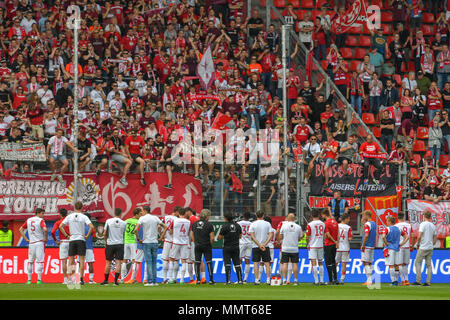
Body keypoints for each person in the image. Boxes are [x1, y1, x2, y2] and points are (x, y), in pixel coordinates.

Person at [59, 201, 94, 285]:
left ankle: (71, 279)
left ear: (74, 207)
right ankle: (81, 279)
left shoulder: (69, 216)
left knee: (71, 260)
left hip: (72, 239)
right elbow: (91, 227)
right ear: (82, 207)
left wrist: (67, 236)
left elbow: (60, 226)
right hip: (81, 239)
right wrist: (87, 236)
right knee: (81, 260)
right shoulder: (83, 216)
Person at [135, 205, 167, 286]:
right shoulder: (155, 218)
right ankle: (154, 281)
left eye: (142, 211)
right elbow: (165, 227)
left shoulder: (142, 218)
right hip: (155, 242)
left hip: (146, 242)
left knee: (148, 262)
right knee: (154, 262)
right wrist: (161, 237)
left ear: (145, 211)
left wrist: (139, 239)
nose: (141, 212)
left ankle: (149, 281)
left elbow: (135, 229)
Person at [19, 208, 47, 284]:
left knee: (30, 261)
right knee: (40, 261)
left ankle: (29, 280)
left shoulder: (29, 220)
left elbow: (20, 229)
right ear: (38, 213)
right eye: (42, 213)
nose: (43, 215)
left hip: (31, 243)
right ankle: (39, 280)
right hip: (39, 243)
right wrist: (46, 238)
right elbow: (45, 229)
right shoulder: (41, 220)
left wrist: (26, 239)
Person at [101, 208, 127, 286]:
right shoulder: (124, 223)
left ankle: (106, 281)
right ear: (121, 214)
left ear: (114, 213)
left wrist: (106, 241)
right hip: (120, 244)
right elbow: (123, 233)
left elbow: (105, 233)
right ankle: (115, 281)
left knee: (108, 262)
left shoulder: (108, 221)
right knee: (118, 262)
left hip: (110, 244)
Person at [190, 209, 215, 285]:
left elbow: (192, 235)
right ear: (207, 216)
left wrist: (196, 242)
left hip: (197, 245)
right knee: (209, 262)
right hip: (206, 245)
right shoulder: (209, 225)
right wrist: (210, 244)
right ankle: (211, 280)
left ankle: (197, 280)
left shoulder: (194, 224)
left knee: (197, 262)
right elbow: (212, 238)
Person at [413, 210, 437, 286]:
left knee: (417, 262)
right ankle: (428, 282)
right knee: (429, 265)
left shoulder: (423, 224)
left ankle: (418, 280)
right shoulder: (433, 225)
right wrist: (432, 245)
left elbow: (419, 236)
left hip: (423, 247)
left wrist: (417, 244)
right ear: (430, 217)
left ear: (424, 216)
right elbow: (435, 238)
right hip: (430, 247)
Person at [249, 210, 273, 285]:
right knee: (267, 263)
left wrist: (259, 244)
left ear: (256, 215)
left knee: (256, 263)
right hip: (265, 246)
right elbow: (270, 234)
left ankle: (256, 280)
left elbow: (252, 236)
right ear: (263, 215)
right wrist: (264, 244)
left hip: (256, 246)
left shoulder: (253, 224)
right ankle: (268, 280)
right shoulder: (267, 224)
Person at [218, 212, 243, 285]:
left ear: (226, 218)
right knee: (237, 264)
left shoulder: (224, 226)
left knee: (227, 264)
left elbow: (219, 237)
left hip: (227, 247)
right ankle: (240, 280)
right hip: (236, 247)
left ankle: (228, 281)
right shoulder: (237, 226)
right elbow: (240, 236)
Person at [168, 208, 191, 284]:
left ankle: (171, 279)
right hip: (184, 243)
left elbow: (170, 232)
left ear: (178, 214)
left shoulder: (175, 220)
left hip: (175, 242)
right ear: (185, 214)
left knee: (171, 259)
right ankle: (182, 279)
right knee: (184, 260)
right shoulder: (188, 222)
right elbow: (188, 232)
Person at [278, 213, 302, 286]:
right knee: (294, 264)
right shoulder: (298, 227)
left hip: (285, 248)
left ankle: (284, 280)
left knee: (285, 263)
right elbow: (300, 237)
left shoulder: (284, 226)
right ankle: (295, 280)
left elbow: (280, 236)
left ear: (288, 218)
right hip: (294, 248)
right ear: (294, 219)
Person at [160, 206, 181, 284]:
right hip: (175, 242)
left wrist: (162, 235)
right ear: (177, 212)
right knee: (175, 261)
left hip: (167, 241)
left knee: (165, 260)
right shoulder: (177, 219)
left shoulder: (165, 217)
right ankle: (174, 279)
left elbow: (159, 226)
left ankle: (165, 279)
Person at [306, 209, 326, 285]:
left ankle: (316, 281)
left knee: (313, 263)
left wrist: (308, 244)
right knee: (320, 263)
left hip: (313, 245)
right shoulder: (323, 224)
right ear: (319, 215)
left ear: (311, 215)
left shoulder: (310, 224)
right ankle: (322, 280)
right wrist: (322, 241)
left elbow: (307, 236)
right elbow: (325, 235)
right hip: (320, 245)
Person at [381, 216, 402, 286]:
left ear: (389, 222)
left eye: (387, 221)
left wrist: (386, 243)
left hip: (390, 249)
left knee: (391, 265)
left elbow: (383, 236)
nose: (386, 222)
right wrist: (401, 244)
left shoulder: (387, 228)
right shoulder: (398, 229)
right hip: (397, 248)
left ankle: (393, 281)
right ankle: (396, 280)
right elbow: (407, 237)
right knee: (396, 265)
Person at [51, 208, 70, 284]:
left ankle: (65, 280)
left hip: (63, 242)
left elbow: (52, 232)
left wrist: (56, 240)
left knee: (64, 262)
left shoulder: (58, 222)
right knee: (71, 261)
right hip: (71, 241)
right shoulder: (70, 221)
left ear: (60, 214)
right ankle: (72, 279)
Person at [123, 207, 141, 284]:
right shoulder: (138, 222)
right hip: (133, 242)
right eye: (140, 214)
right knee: (134, 260)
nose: (141, 215)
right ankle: (132, 279)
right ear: (136, 214)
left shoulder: (126, 221)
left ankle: (122, 278)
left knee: (124, 260)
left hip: (126, 241)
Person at [322, 209, 339, 285]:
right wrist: (336, 241)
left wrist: (334, 241)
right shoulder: (335, 222)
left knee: (328, 262)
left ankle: (330, 280)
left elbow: (328, 235)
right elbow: (338, 233)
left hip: (328, 244)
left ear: (324, 214)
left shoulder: (326, 223)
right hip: (334, 245)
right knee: (333, 262)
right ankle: (336, 279)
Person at [360, 210, 377, 286]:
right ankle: (370, 280)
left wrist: (363, 244)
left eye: (364, 215)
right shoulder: (374, 224)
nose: (363, 217)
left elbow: (366, 235)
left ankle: (369, 280)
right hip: (372, 245)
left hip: (366, 245)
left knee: (365, 262)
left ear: (367, 215)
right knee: (370, 263)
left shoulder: (367, 224)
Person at [395, 212, 412, 286]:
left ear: (397, 217)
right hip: (407, 246)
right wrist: (412, 245)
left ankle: (402, 281)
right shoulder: (408, 225)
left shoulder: (396, 226)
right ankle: (407, 280)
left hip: (400, 246)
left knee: (399, 264)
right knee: (404, 265)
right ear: (403, 216)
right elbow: (412, 235)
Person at [336, 213, 353, 284]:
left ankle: (334, 278)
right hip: (345, 248)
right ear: (345, 219)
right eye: (348, 219)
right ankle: (342, 279)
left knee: (335, 263)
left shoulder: (337, 226)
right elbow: (350, 238)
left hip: (337, 247)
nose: (349, 220)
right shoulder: (348, 227)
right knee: (344, 264)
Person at [237, 212, 252, 283]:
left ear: (243, 216)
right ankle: (245, 279)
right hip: (249, 243)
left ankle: (240, 278)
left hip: (241, 243)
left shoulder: (239, 223)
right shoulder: (251, 224)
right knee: (247, 260)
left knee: (239, 260)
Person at [84, 213, 97, 284]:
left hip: (81, 247)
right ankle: (91, 280)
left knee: (81, 264)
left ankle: (81, 279)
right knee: (90, 264)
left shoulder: (80, 226)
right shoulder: (92, 227)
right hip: (89, 247)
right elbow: (95, 239)